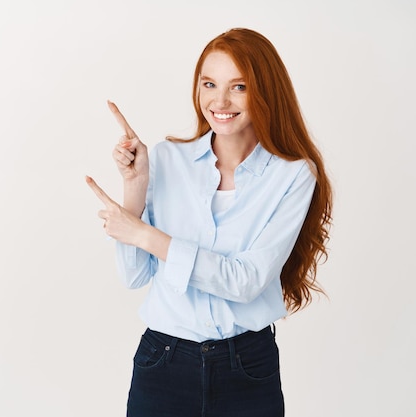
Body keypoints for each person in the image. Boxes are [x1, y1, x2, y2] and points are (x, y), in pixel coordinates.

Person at [86, 27, 332, 417]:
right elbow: (134, 276)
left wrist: (146, 235)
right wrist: (134, 188)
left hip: (247, 369)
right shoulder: (166, 159)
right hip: (162, 362)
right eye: (209, 83)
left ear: (265, 92)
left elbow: (246, 281)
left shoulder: (294, 175)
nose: (220, 100)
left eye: (239, 87)